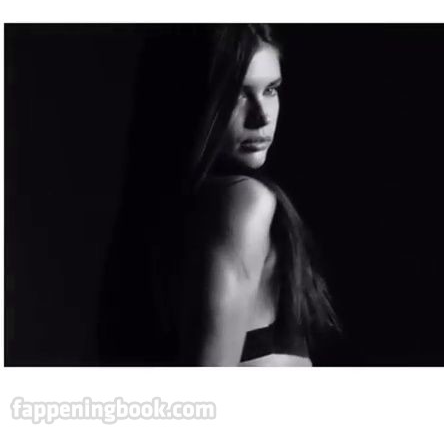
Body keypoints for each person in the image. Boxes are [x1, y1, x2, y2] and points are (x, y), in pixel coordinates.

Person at [97, 24, 342, 367]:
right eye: (238, 94)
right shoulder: (242, 203)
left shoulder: (171, 216)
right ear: (191, 99)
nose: (261, 117)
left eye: (271, 90)